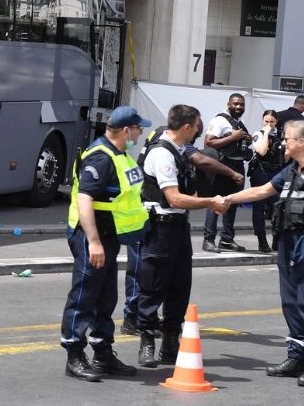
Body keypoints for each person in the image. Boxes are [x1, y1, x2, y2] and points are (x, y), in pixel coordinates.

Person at [224, 120, 304, 387]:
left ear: (301, 142)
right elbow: (263, 190)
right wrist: (229, 198)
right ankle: (297, 356)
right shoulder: (291, 170)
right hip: (288, 244)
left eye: (287, 138)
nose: (283, 143)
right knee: (290, 302)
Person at [120, 120, 243, 335]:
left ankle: (143, 318)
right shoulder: (168, 146)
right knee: (143, 271)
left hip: (145, 209)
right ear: (187, 129)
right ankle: (134, 319)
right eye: (195, 135)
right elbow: (200, 161)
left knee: (152, 273)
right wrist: (232, 174)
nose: (194, 141)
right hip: (147, 213)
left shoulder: (162, 137)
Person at [60, 106, 150, 382]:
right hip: (92, 236)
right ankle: (74, 356)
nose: (140, 133)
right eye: (138, 129)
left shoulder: (119, 154)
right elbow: (84, 199)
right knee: (84, 296)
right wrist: (94, 242)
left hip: (109, 236)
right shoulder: (101, 157)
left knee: (105, 297)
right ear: (126, 130)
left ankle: (102, 353)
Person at [136, 104, 229, 367]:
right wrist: (210, 202)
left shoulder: (179, 152)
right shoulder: (162, 153)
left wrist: (210, 195)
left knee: (179, 286)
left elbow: (189, 192)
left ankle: (170, 343)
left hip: (178, 227)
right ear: (187, 127)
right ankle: (147, 341)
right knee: (153, 285)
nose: (199, 131)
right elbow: (174, 199)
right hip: (160, 227)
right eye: (197, 126)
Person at [202, 93, 251, 252]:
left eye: (241, 104)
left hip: (238, 165)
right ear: (228, 104)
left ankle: (227, 239)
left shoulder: (239, 123)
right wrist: (233, 137)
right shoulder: (219, 120)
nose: (239, 107)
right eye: (235, 104)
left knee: (233, 202)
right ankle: (208, 239)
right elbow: (208, 142)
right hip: (223, 165)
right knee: (216, 202)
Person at [248, 110, 284, 253]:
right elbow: (262, 152)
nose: (269, 124)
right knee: (259, 208)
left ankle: (276, 239)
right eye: (266, 121)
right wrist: (267, 133)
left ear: (276, 122)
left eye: (272, 122)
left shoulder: (281, 136)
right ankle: (261, 241)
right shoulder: (259, 134)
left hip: (276, 173)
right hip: (261, 173)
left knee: (277, 207)